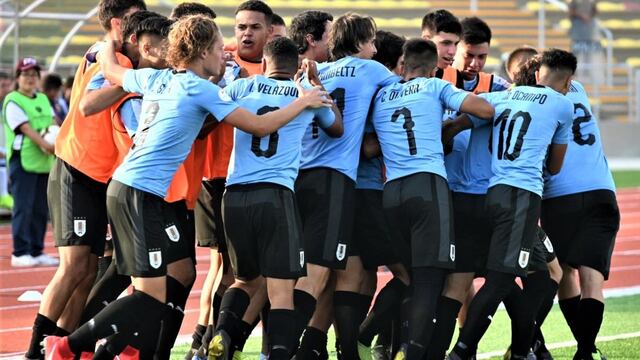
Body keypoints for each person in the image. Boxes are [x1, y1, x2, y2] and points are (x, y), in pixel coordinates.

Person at [43, 14, 331, 360]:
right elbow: (257, 125)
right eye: (216, 48)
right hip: (141, 194)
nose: (223, 55)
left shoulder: (156, 77)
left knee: (155, 291)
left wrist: (108, 43)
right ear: (202, 51)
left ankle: (97, 346)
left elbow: (112, 69)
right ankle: (67, 346)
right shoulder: (201, 90)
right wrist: (303, 101)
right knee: (149, 296)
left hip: (127, 188)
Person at [24, 1, 147, 358]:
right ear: (117, 24)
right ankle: (35, 349)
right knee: (74, 266)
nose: (140, 28)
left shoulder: (126, 60)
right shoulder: (105, 52)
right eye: (134, 20)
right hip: (76, 167)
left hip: (102, 175)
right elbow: (90, 103)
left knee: (88, 271)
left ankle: (61, 346)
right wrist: (132, 82)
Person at [210, 36, 342, 360]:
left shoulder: (242, 87)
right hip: (276, 194)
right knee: (281, 291)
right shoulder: (305, 94)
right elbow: (336, 128)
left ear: (265, 62)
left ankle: (222, 335)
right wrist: (315, 84)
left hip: (234, 194)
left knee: (242, 280)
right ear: (297, 65)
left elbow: (212, 115)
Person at [447, 49, 576, 360]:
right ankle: (462, 352)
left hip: (491, 194)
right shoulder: (563, 104)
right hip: (522, 196)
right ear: (568, 81)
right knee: (502, 280)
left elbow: (454, 127)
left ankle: (525, 349)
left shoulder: (500, 97)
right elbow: (555, 166)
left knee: (528, 278)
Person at [292, 12, 399, 360]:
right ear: (362, 41)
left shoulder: (317, 70)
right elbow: (404, 102)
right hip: (337, 178)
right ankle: (290, 343)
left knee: (341, 271)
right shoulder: (373, 70)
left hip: (301, 172)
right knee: (320, 273)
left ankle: (315, 345)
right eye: (371, 41)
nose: (374, 48)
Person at [355, 29, 409, 360]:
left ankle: (375, 344)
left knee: (358, 279)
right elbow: (366, 146)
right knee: (411, 275)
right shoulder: (382, 91)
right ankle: (364, 337)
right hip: (370, 193)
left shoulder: (368, 89)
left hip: (362, 192)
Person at [2, 58, 59, 268]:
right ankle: (20, 252)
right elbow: (25, 128)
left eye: (34, 75)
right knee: (23, 207)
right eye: (25, 74)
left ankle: (36, 251)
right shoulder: (13, 100)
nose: (30, 79)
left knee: (40, 209)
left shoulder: (43, 99)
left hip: (44, 161)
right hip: (22, 161)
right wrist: (49, 145)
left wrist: (56, 139)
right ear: (18, 78)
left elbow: (53, 123)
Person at [0, 71, 14, 210]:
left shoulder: (8, 103)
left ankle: (4, 195)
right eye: (3, 85)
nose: (6, 89)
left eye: (8, 85)